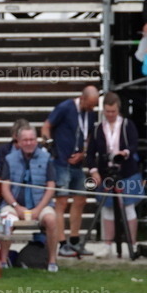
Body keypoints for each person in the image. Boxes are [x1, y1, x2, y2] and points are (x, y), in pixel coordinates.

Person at [86, 92, 143, 258]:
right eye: (107, 111)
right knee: (107, 208)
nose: (110, 115)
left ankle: (133, 244)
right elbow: (90, 154)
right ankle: (107, 245)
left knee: (129, 207)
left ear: (118, 110)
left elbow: (134, 144)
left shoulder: (127, 125)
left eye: (113, 111)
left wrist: (124, 153)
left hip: (127, 171)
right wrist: (94, 171)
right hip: (106, 173)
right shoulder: (97, 129)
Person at [43, 85, 98, 256]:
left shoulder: (90, 113)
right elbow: (46, 126)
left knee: (81, 199)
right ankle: (61, 242)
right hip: (61, 162)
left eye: (94, 105)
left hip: (77, 164)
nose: (92, 108)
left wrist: (83, 153)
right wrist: (51, 146)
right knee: (62, 202)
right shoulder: (65, 107)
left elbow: (88, 136)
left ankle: (74, 240)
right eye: (90, 105)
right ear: (82, 98)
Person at [0, 123, 59, 271]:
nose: (29, 143)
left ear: (36, 140)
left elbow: (51, 186)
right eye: (25, 140)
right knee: (5, 220)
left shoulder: (46, 157)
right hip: (14, 205)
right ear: (18, 142)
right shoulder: (9, 159)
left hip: (41, 205)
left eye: (32, 139)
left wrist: (38, 209)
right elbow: (4, 187)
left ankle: (52, 261)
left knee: (51, 220)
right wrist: (16, 207)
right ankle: (3, 261)